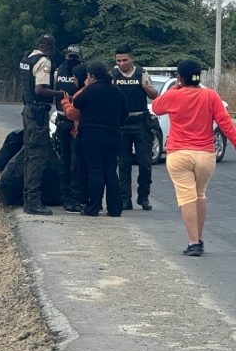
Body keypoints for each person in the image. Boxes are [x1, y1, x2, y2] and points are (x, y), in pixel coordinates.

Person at [151, 59, 236, 256]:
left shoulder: (174, 95)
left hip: (179, 153)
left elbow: (156, 107)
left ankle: (193, 242)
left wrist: (174, 87)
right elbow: (225, 123)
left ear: (179, 77)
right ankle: (199, 237)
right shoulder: (211, 96)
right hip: (205, 154)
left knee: (186, 197)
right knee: (200, 194)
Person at [73, 62, 128, 216]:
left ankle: (94, 207)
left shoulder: (90, 90)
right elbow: (124, 115)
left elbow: (76, 103)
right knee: (110, 171)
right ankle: (115, 208)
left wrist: (86, 86)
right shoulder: (117, 91)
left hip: (92, 135)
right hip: (113, 135)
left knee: (95, 170)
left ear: (92, 76)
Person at [19, 34, 65, 215]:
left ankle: (27, 198)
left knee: (29, 155)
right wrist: (59, 94)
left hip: (27, 111)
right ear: (51, 49)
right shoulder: (44, 61)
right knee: (38, 156)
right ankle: (33, 202)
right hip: (38, 113)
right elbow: (40, 89)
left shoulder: (27, 59)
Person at [112, 45, 158, 211]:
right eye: (118, 61)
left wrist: (145, 87)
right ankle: (125, 199)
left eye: (125, 60)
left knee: (145, 163)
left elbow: (154, 95)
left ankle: (143, 196)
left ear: (132, 58)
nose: (122, 63)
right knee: (123, 164)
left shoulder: (141, 73)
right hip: (122, 123)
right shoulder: (113, 75)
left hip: (140, 122)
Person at [54, 44, 85, 213]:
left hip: (77, 122)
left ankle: (76, 197)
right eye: (70, 56)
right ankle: (66, 198)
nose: (72, 60)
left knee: (76, 163)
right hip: (61, 119)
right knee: (64, 161)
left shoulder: (83, 72)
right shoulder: (59, 71)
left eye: (75, 57)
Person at [58, 64, 89, 211]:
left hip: (77, 128)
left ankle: (74, 198)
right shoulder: (90, 90)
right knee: (71, 163)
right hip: (73, 127)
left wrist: (64, 100)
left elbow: (72, 113)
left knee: (73, 164)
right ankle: (75, 198)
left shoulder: (83, 92)